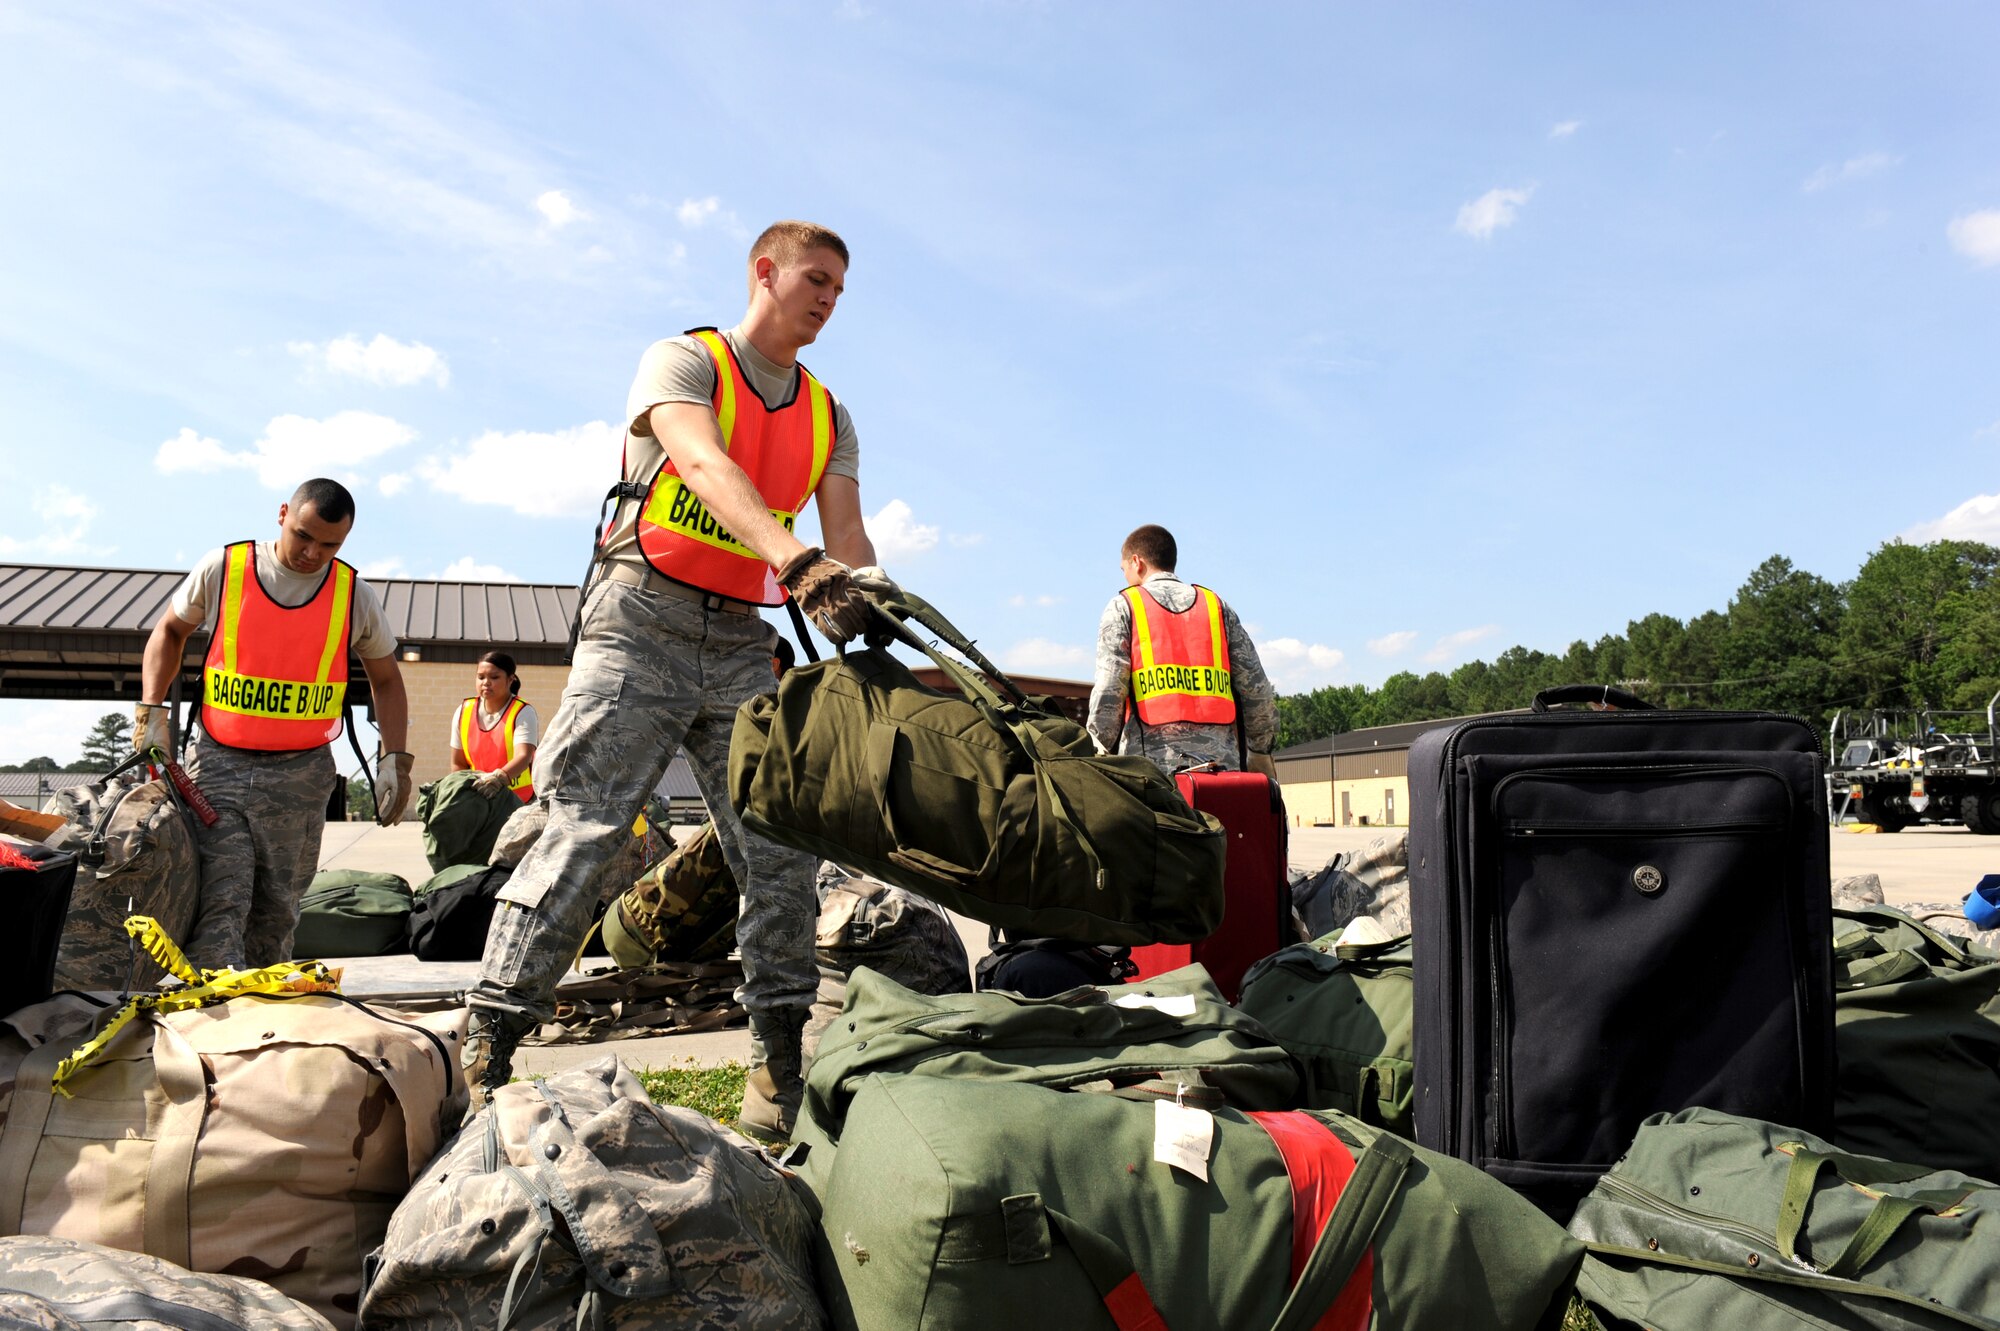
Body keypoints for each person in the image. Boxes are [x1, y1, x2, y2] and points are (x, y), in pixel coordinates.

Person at [464, 220, 892, 1143]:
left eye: (839, 289)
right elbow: (704, 463)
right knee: (585, 830)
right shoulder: (683, 362)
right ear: (765, 271)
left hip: (739, 638)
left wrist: (869, 607)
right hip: (638, 618)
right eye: (815, 278)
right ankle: (486, 1047)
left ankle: (779, 1067)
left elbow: (846, 539)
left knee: (778, 851)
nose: (827, 298)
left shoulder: (829, 415)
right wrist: (797, 560)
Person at [136, 478, 412, 970]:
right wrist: (152, 710)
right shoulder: (225, 568)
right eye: (303, 535)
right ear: (283, 513)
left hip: (300, 778)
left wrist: (395, 759)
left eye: (330, 544)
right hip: (218, 764)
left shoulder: (354, 595)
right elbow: (170, 631)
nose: (312, 553)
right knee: (224, 897)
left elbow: (387, 680)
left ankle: (263, 1013)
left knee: (278, 910)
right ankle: (212, 1015)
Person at [1085, 524, 1279, 777]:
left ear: (1137, 562)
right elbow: (1257, 690)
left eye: (1124, 570)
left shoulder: (1124, 606)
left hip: (1154, 778)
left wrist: (1096, 754)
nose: (1125, 577)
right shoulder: (1217, 608)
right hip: (1220, 773)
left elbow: (1109, 692)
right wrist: (1260, 752)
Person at [449, 651, 539, 802]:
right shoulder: (464, 711)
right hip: (478, 798)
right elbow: (458, 763)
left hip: (518, 800)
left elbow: (524, 756)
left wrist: (498, 779)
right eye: (481, 677)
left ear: (510, 680)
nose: (486, 682)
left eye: (494, 677)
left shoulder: (523, 712)